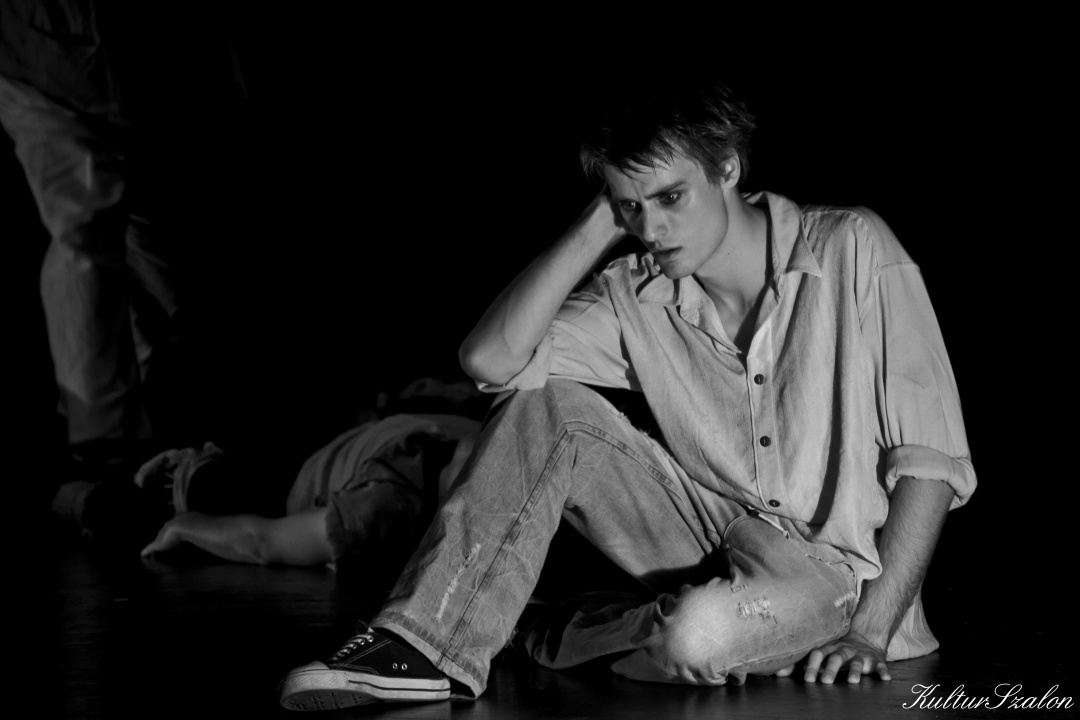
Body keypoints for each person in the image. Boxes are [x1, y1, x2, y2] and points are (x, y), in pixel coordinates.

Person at [276, 79, 976, 712]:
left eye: (670, 197)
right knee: (543, 404)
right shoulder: (636, 292)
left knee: (696, 637)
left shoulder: (853, 246)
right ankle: (426, 647)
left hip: (845, 580)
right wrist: (600, 220)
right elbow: (491, 361)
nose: (651, 228)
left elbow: (930, 463)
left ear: (728, 168)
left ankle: (564, 629)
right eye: (629, 207)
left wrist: (870, 633)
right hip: (717, 537)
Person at [0, 2, 245, 494]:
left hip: (154, 86)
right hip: (48, 69)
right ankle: (103, 460)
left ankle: (163, 446)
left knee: (160, 277)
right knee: (85, 230)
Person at [138, 412, 480, 575]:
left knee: (178, 493)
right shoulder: (488, 434)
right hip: (337, 443)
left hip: (296, 487)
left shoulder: (385, 506)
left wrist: (182, 526)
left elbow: (263, 542)